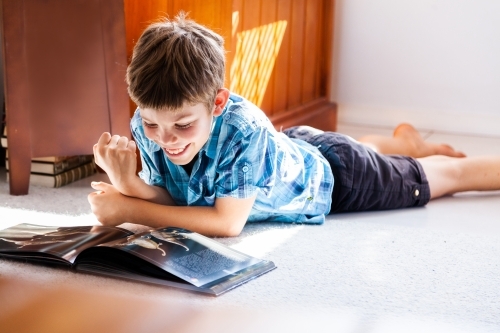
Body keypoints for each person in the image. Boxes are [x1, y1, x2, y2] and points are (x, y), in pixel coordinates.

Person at [88, 14, 500, 237]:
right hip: (294, 150)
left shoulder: (243, 130)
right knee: (363, 150)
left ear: (217, 103)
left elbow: (225, 223)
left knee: (449, 176)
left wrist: (128, 208)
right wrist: (128, 180)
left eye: (181, 125)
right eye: (152, 124)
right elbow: (175, 197)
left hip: (339, 178)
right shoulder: (153, 119)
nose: (165, 139)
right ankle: (403, 142)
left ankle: (406, 149)